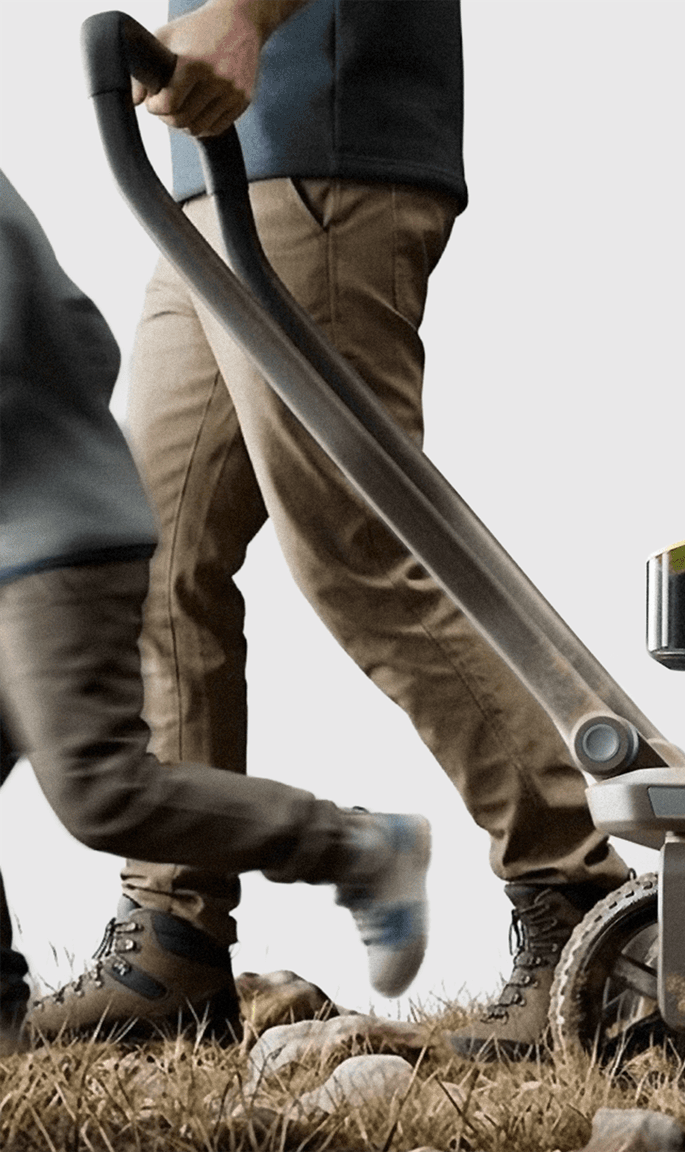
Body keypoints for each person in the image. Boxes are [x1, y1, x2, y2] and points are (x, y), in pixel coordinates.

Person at [25, 0, 628, 1057]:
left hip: (318, 158)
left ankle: (585, 906)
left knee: (361, 548)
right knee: (147, 557)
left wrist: (244, 13)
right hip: (213, 180)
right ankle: (172, 940)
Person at [0, 165, 430, 1055]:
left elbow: (51, 342)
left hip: (58, 541)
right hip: (30, 531)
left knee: (101, 789)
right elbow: (81, 338)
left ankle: (357, 847)